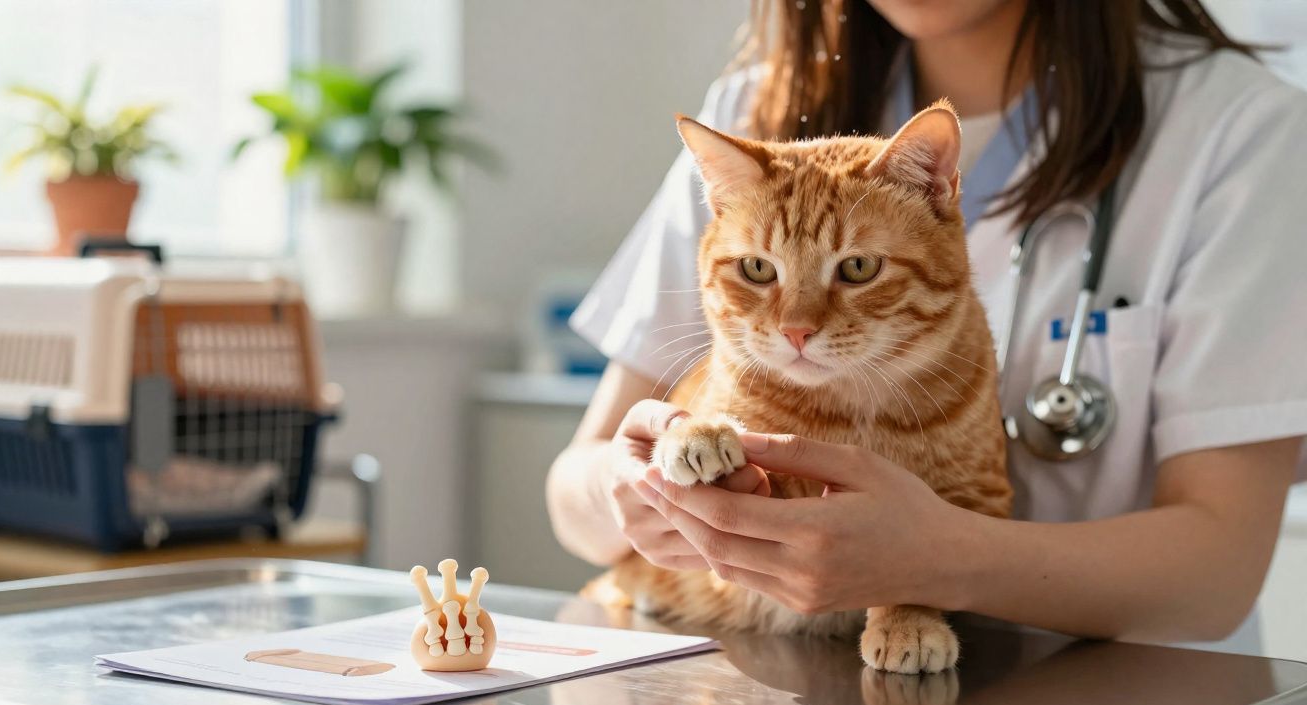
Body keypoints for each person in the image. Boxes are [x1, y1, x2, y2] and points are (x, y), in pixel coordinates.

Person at [546, 0, 1307, 653]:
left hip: (1126, 699)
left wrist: (935, 560)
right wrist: (632, 490)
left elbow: (1217, 573)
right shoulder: (750, 120)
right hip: (773, 684)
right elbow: (576, 485)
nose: (800, 322)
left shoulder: (1240, 129)